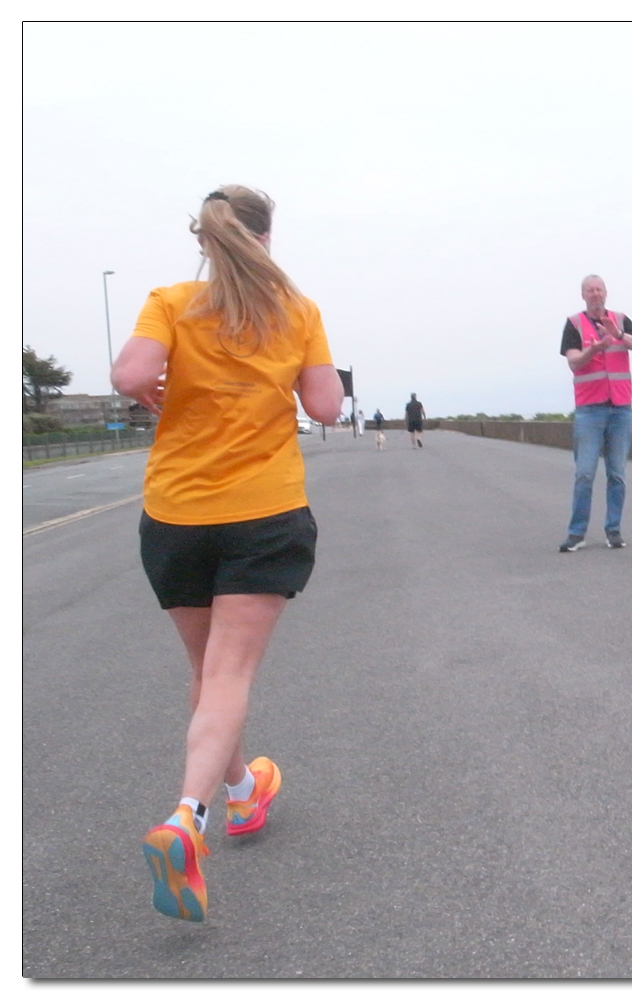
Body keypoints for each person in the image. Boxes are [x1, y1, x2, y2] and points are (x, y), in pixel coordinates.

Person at [111, 186, 343, 922]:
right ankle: (187, 817)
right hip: (263, 511)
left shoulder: (172, 301)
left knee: (209, 673)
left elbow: (126, 376)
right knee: (230, 673)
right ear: (265, 239)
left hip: (176, 514)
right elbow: (327, 408)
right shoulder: (297, 311)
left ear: (205, 242)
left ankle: (244, 791)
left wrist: (159, 389)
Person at [558, 274, 632, 552]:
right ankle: (577, 533)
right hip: (590, 410)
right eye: (590, 290)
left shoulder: (621, 320)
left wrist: (618, 334)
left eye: (599, 289)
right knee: (585, 473)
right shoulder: (574, 324)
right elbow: (574, 362)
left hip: (620, 409)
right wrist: (594, 349)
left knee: (617, 474)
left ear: (606, 293)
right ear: (583, 295)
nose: (595, 294)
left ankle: (614, 531)